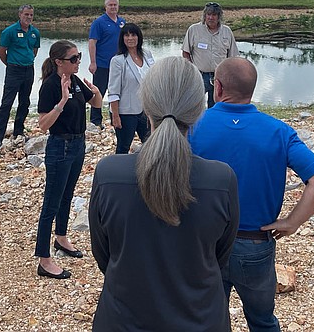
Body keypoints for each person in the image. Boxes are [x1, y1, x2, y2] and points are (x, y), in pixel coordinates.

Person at [89, 56, 239, 331]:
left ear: (146, 105)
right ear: (199, 109)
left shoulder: (109, 174)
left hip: (122, 320)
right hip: (202, 320)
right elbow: (220, 256)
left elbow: (104, 254)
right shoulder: (221, 178)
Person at [189, 57, 314, 332]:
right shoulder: (279, 131)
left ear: (216, 88)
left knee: (207, 321)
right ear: (252, 90)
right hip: (255, 243)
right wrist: (292, 222)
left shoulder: (193, 127)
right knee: (262, 321)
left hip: (204, 243)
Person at [35, 40, 102, 279]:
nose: (78, 62)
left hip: (78, 144)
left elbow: (95, 103)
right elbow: (43, 125)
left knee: (67, 195)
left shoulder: (74, 80)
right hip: (60, 146)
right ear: (59, 62)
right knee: (51, 202)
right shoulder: (51, 86)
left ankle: (61, 238)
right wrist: (62, 102)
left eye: (79, 57)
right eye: (73, 59)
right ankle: (43, 259)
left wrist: (94, 91)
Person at [0, 4, 40, 153]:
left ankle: (18, 131)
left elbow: (35, 50)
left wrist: (27, 60)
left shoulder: (34, 32)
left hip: (28, 69)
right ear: (20, 15)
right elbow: (1, 52)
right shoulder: (9, 31)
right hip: (13, 69)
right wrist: (11, 64)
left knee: (24, 102)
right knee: (7, 103)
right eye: (26, 14)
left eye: (31, 15)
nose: (28, 17)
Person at [107, 22, 155, 154]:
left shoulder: (147, 54)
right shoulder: (118, 61)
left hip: (145, 110)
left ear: (138, 37)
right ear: (122, 39)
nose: (130, 38)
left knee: (151, 144)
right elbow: (113, 90)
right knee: (123, 147)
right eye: (126, 35)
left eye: (133, 35)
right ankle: (119, 172)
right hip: (126, 112)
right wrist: (115, 116)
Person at [182, 2, 238, 107]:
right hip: (199, 76)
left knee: (216, 108)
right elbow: (186, 53)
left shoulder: (227, 32)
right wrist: (192, 71)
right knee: (193, 106)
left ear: (219, 16)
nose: (210, 17)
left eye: (214, 15)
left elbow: (233, 58)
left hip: (220, 78)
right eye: (208, 14)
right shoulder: (194, 29)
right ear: (204, 15)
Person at [88, 0, 125, 127]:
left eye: (115, 5)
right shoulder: (99, 23)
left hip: (119, 64)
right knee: (99, 91)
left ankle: (114, 117)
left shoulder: (122, 22)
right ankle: (95, 121)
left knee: (116, 92)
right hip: (102, 64)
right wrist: (93, 62)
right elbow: (92, 42)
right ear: (105, 7)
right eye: (110, 5)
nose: (113, 7)